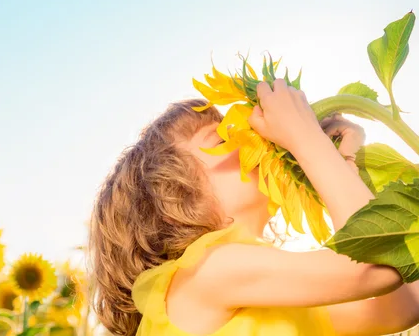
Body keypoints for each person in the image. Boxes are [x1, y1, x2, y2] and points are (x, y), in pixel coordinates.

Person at [88, 79, 419, 336]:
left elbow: (403, 305)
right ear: (174, 196)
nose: (248, 137)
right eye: (221, 139)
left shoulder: (271, 299)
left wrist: (341, 162)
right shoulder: (207, 271)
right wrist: (305, 138)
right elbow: (374, 267)